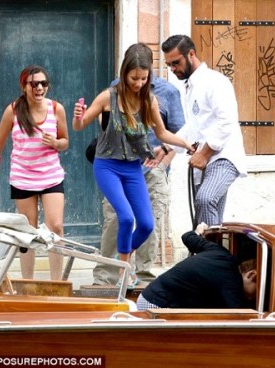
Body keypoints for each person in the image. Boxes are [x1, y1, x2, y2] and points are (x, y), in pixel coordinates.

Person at [73, 43, 194, 287]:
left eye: (143, 78)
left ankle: (122, 261)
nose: (138, 83)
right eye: (134, 78)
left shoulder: (150, 100)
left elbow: (163, 133)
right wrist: (78, 115)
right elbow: (79, 126)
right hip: (107, 165)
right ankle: (122, 272)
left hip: (134, 168)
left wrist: (187, 144)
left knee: (147, 224)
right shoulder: (109, 96)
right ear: (125, 73)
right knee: (125, 218)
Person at [0, 65, 68, 280]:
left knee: (55, 226)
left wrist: (56, 142)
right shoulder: (13, 111)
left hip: (51, 175)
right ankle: (27, 282)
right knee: (27, 232)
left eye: (43, 83)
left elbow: (65, 141)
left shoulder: (56, 109)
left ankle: (57, 283)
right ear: (24, 86)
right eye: (34, 84)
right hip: (22, 178)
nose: (39, 88)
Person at [161, 35, 247, 226]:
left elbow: (227, 121)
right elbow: (194, 127)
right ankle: (215, 253)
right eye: (169, 65)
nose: (173, 69)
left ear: (191, 54)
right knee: (206, 219)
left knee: (205, 199)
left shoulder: (215, 81)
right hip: (204, 161)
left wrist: (205, 153)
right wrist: (167, 147)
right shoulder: (191, 86)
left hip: (223, 156)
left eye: (176, 63)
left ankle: (211, 252)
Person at [136, 222, 257, 309]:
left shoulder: (220, 252)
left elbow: (188, 237)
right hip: (156, 306)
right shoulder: (232, 282)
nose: (253, 298)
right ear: (251, 275)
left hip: (148, 296)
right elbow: (239, 316)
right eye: (256, 291)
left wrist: (198, 231)